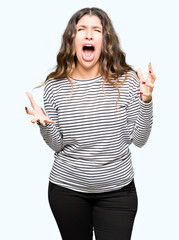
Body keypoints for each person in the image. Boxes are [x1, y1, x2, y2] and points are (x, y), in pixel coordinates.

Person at [25, 7, 156, 240]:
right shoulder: (55, 87)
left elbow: (140, 140)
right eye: (81, 30)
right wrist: (44, 124)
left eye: (96, 30)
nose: (88, 35)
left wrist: (146, 100)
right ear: (72, 39)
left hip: (118, 194)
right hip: (67, 192)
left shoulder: (127, 81)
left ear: (106, 41)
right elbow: (58, 145)